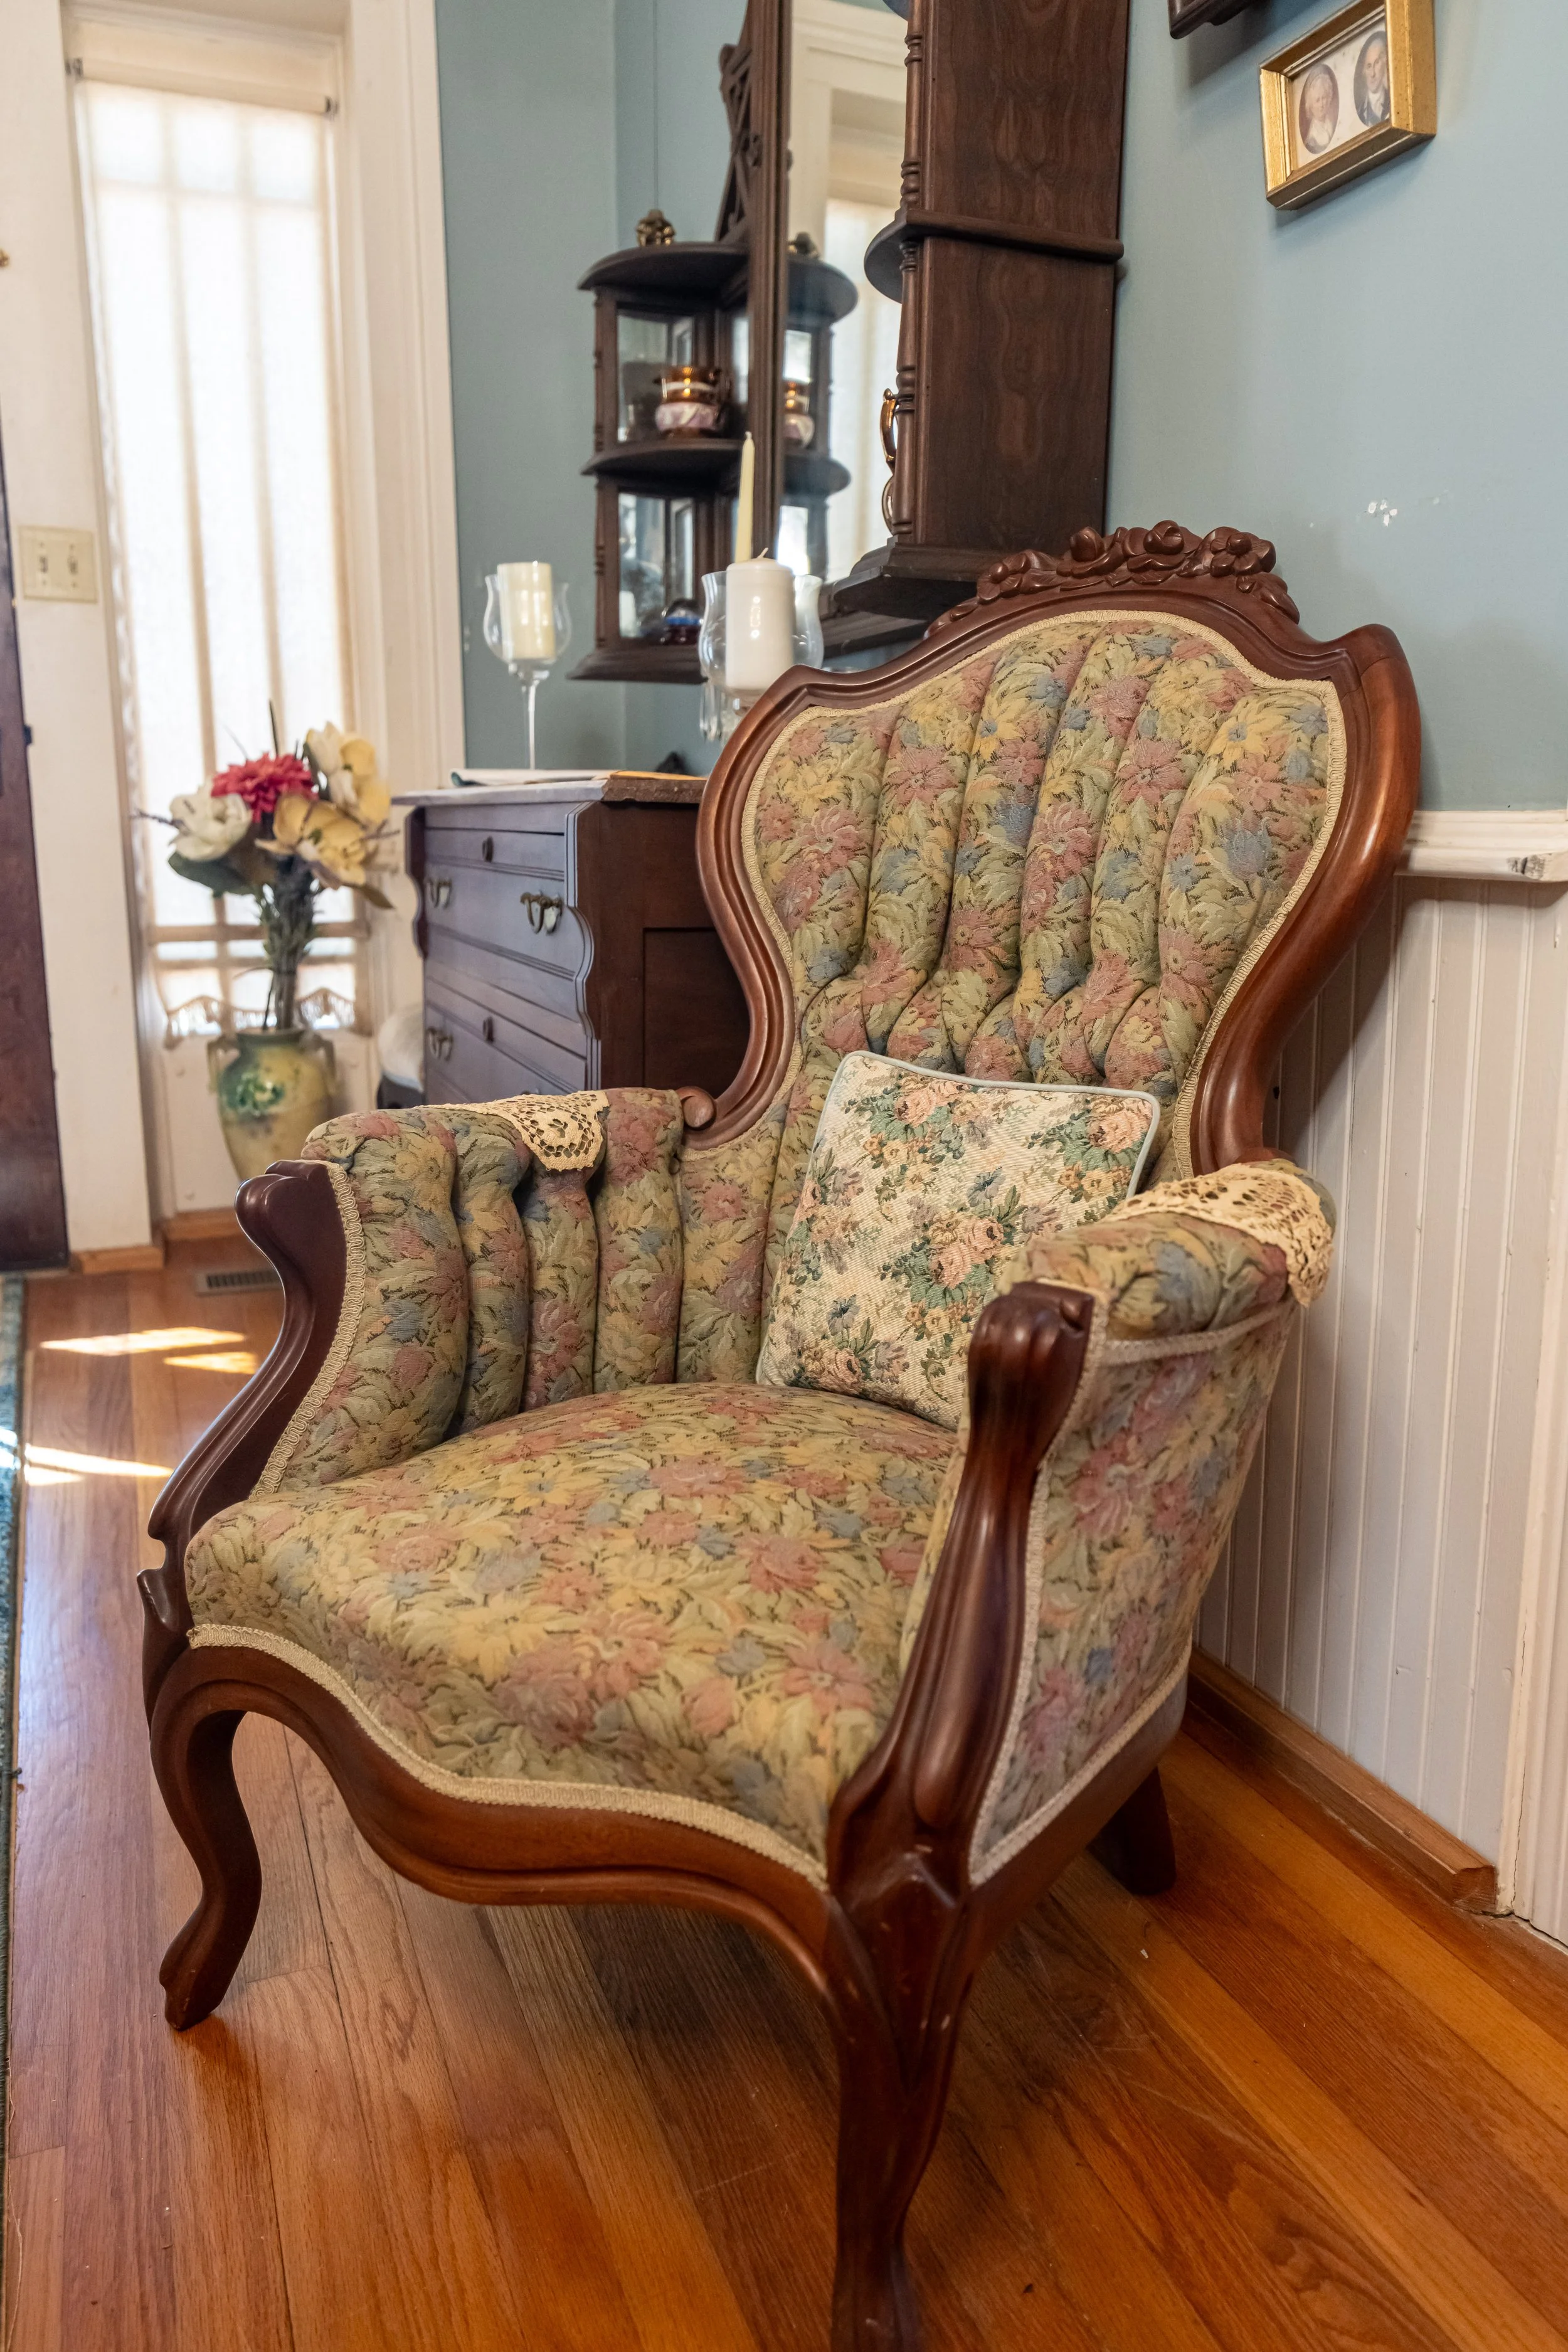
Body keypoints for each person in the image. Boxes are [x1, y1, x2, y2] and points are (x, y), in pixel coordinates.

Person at [1297, 62, 1340, 156]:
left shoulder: (1331, 125)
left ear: (1329, 97)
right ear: (1311, 106)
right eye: (1317, 100)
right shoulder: (1312, 140)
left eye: (1324, 98)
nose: (1322, 104)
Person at [1355, 30, 1391, 127]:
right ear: (1364, 71)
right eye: (1369, 66)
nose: (1373, 74)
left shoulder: (1392, 102)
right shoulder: (1361, 111)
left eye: (1377, 63)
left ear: (1384, 64)